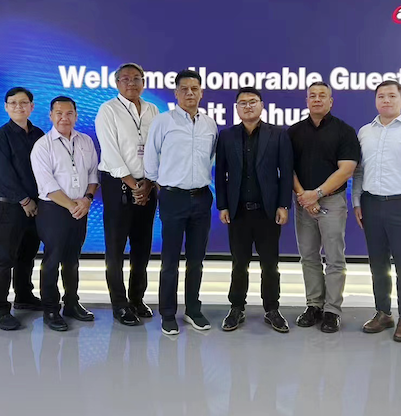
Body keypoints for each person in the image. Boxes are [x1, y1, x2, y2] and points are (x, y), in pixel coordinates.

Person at [352, 80, 401, 342]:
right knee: (378, 263)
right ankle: (383, 312)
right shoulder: (365, 132)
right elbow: (359, 171)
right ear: (375, 100)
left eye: (391, 96)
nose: (386, 100)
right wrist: (357, 202)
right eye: (381, 96)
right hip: (371, 203)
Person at [144, 69, 218, 336]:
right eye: (184, 89)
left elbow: (211, 158)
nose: (189, 93)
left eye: (194, 89)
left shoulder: (209, 124)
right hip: (173, 197)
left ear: (201, 92)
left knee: (196, 259)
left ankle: (193, 309)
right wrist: (164, 185)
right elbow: (150, 160)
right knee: (170, 260)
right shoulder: (163, 122)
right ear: (176, 93)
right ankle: (167, 313)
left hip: (201, 197)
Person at [215, 87, 293, 333]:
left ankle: (272, 308)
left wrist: (283, 205)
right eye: (243, 103)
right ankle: (236, 308)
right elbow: (220, 174)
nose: (248, 106)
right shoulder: (226, 136)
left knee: (270, 264)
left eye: (252, 101)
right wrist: (223, 205)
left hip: (267, 212)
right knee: (239, 263)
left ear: (261, 105)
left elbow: (286, 173)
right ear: (236, 108)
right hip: (238, 211)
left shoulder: (278, 135)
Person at [288, 81, 360, 333]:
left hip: (331, 202)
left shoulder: (344, 131)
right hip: (303, 203)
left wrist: (316, 194)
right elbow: (288, 168)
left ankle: (332, 310)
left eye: (322, 95)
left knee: (334, 258)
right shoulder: (294, 132)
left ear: (331, 101)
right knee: (308, 257)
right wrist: (303, 196)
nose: (317, 99)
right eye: (312, 95)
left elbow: (347, 169)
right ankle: (314, 305)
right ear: (307, 101)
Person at [95, 63, 159, 326]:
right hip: (119, 186)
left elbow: (158, 148)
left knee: (142, 247)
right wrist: (134, 185)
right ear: (117, 83)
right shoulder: (108, 110)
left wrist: (149, 184)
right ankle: (119, 304)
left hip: (148, 186)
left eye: (136, 78)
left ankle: (136, 298)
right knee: (116, 247)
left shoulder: (153, 110)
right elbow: (110, 152)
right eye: (125, 79)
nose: (131, 83)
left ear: (143, 82)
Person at [30, 96, 99, 331]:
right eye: (59, 113)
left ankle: (71, 303)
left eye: (69, 113)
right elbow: (47, 185)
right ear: (51, 116)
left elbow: (93, 174)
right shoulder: (43, 145)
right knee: (53, 260)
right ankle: (50, 309)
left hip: (81, 208)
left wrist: (87, 200)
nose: (64, 118)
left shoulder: (86, 141)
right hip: (54, 210)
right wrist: (72, 205)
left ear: (76, 115)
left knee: (72, 259)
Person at [0, 87, 45, 331]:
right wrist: (24, 200)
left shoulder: (39, 134)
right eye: (13, 103)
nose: (18, 107)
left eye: (23, 103)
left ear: (32, 106)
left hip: (35, 206)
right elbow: (3, 173)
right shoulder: (1, 135)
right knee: (4, 258)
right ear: (6, 107)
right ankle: (0, 310)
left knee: (27, 255)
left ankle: (24, 295)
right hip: (9, 206)